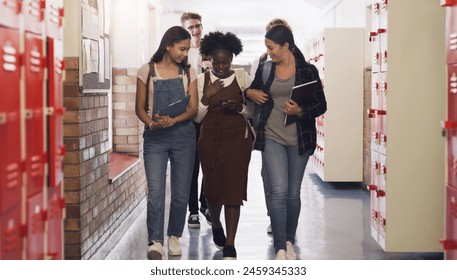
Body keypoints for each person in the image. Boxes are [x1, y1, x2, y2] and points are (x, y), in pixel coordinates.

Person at [246, 25, 327, 260]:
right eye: (266, 47)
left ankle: (289, 240)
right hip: (272, 136)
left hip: (299, 139)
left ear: (286, 46)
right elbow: (251, 91)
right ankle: (280, 246)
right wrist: (250, 93)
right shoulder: (266, 68)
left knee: (293, 193)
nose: (268, 52)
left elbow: (321, 105)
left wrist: (301, 110)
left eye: (271, 48)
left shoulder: (308, 70)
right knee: (279, 191)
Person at [135, 26, 198, 260]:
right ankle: (156, 241)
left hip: (184, 137)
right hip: (155, 138)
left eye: (187, 50)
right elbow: (139, 108)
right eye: (182, 49)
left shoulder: (188, 72)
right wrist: (152, 124)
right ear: (168, 45)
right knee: (156, 191)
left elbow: (192, 110)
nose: (185, 54)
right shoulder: (147, 71)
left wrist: (172, 120)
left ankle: (173, 236)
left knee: (181, 192)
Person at [194, 31, 253, 260]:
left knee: (233, 189)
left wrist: (238, 108)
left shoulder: (242, 78)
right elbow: (197, 118)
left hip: (238, 138)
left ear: (232, 58)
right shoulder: (201, 81)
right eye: (216, 62)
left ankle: (230, 243)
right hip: (209, 138)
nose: (220, 66)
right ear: (209, 59)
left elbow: (252, 111)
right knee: (211, 186)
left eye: (225, 61)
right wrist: (207, 97)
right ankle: (215, 222)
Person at [249, 18, 292, 235]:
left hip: (293, 129)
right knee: (269, 176)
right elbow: (250, 91)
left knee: (290, 186)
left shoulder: (298, 61)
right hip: (268, 129)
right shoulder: (261, 63)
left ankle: (287, 225)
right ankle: (273, 217)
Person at [180, 12, 212, 228]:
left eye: (198, 26)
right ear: (184, 29)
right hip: (188, 117)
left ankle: (205, 203)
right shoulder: (180, 54)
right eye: (191, 27)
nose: (195, 30)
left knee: (209, 163)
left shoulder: (210, 51)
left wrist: (209, 69)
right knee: (192, 166)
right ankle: (193, 211)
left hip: (209, 116)